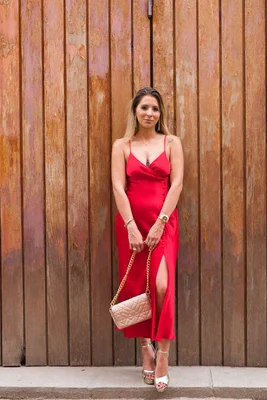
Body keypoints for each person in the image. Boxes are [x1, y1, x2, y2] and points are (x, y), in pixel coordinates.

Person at [111, 87, 184, 393]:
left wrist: (160, 223)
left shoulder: (172, 143)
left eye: (155, 108)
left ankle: (163, 356)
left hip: (163, 224)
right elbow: (118, 185)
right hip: (131, 225)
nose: (149, 113)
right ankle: (145, 349)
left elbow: (177, 182)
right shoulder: (122, 145)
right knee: (136, 285)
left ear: (160, 114)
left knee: (162, 286)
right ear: (136, 111)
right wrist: (130, 225)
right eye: (144, 108)